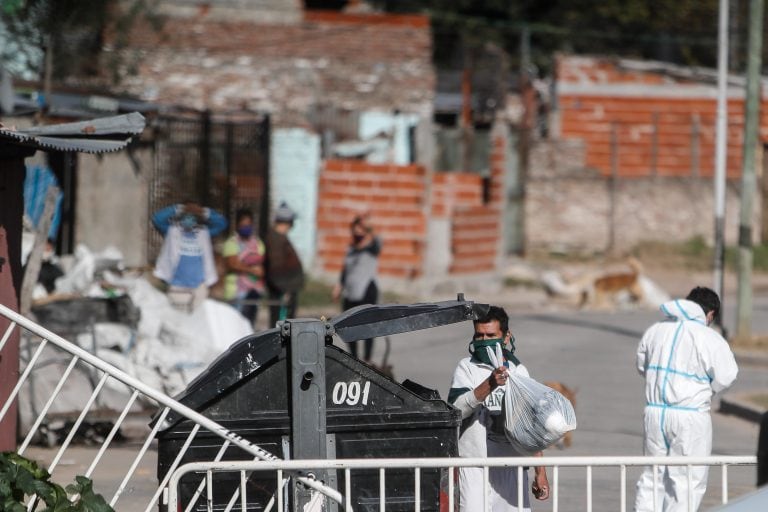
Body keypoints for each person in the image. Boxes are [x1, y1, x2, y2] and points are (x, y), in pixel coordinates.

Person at [634, 287, 738, 512]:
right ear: (710, 314)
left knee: (652, 478)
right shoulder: (709, 337)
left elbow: (642, 366)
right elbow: (727, 375)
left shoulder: (656, 330)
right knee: (687, 482)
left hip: (654, 414)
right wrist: (707, 389)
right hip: (690, 416)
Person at [448, 305, 550, 512]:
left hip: (511, 465)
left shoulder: (519, 370)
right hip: (475, 467)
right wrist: (490, 384)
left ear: (506, 337)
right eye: (479, 336)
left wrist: (540, 471)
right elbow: (456, 410)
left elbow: (529, 423)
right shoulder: (466, 367)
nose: (484, 341)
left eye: (491, 335)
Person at [152, 201, 227, 311]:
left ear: (197, 219)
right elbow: (157, 219)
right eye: (186, 216)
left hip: (199, 286)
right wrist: (179, 208)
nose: (189, 220)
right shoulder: (172, 231)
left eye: (193, 217)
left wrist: (204, 211)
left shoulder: (204, 233)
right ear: (181, 217)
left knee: (198, 321)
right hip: (177, 286)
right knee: (178, 320)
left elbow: (222, 223)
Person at [332, 213, 381, 363]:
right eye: (356, 228)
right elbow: (345, 270)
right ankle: (354, 359)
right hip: (350, 293)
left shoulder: (372, 248)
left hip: (367, 291)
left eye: (361, 229)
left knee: (368, 327)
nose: (358, 232)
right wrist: (339, 286)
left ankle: (367, 359)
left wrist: (368, 226)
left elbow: (377, 240)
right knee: (348, 327)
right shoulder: (351, 249)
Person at [222, 207, 265, 326]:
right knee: (235, 325)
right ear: (237, 225)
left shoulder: (257, 243)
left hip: (254, 290)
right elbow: (232, 264)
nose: (246, 227)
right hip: (236, 292)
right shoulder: (232, 243)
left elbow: (261, 262)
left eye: (249, 224)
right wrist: (251, 270)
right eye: (243, 224)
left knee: (250, 324)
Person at [264, 202, 304, 326]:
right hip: (282, 292)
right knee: (281, 326)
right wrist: (285, 290)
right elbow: (276, 268)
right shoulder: (275, 239)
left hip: (286, 289)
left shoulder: (280, 237)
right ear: (288, 221)